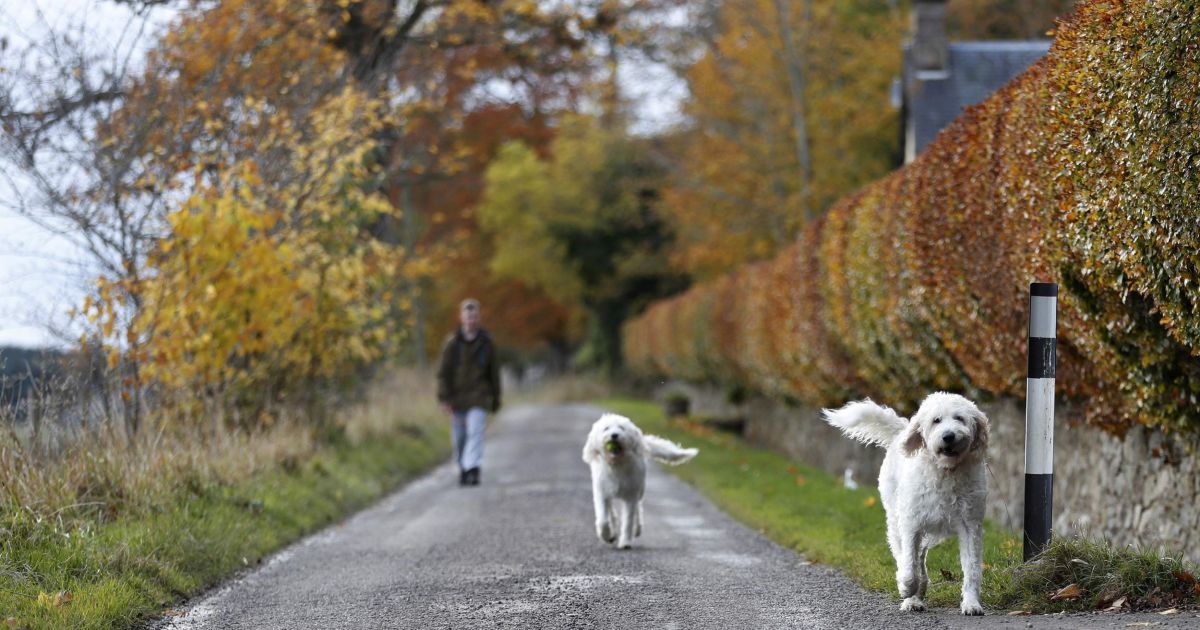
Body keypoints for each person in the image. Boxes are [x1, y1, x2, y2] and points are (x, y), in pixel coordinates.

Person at [436, 299, 501, 486]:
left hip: (479, 396)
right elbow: (443, 373)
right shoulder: (452, 344)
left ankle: (473, 468)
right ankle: (463, 467)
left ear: (479, 318)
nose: (471, 320)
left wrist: (496, 398)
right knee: (460, 439)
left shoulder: (487, 343)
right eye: (468, 317)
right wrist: (443, 398)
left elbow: (494, 373)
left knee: (476, 432)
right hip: (457, 399)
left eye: (474, 317)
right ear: (462, 318)